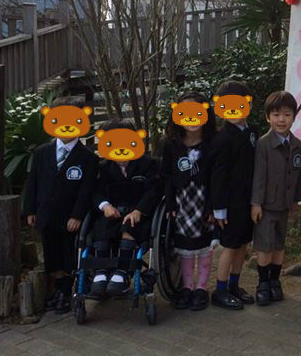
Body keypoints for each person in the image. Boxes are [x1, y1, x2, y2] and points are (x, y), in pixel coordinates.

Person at [23, 97, 99, 314]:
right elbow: (33, 182)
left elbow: (86, 191)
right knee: (51, 252)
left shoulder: (88, 158)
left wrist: (77, 215)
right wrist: (30, 209)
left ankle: (66, 292)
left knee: (68, 253)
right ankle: (57, 289)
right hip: (46, 213)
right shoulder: (41, 153)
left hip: (70, 217)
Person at [90, 119, 162, 297]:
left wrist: (139, 210)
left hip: (139, 213)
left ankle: (122, 272)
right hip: (112, 212)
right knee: (101, 227)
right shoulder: (103, 167)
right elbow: (95, 191)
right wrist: (105, 206)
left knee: (129, 228)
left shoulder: (149, 164)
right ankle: (101, 271)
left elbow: (153, 191)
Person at [162, 92, 217, 311]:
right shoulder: (171, 145)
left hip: (205, 200)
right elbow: (166, 176)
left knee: (204, 246)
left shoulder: (213, 144)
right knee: (184, 246)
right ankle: (187, 287)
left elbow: (217, 177)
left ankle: (201, 288)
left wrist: (213, 206)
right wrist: (169, 204)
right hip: (181, 201)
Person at [251, 91, 301, 306]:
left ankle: (275, 281)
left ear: (294, 117)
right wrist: (256, 203)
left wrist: (296, 200)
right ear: (267, 117)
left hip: (285, 204)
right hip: (266, 205)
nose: (281, 120)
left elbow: (298, 174)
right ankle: (263, 283)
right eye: (276, 115)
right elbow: (258, 176)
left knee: (280, 244)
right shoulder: (263, 144)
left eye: (287, 115)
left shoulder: (297, 144)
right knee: (265, 245)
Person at [210, 80, 259, 310]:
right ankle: (220, 290)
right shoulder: (222, 138)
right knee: (230, 246)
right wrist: (218, 208)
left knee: (243, 244)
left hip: (249, 199)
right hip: (230, 203)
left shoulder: (252, 131)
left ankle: (234, 285)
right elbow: (218, 176)